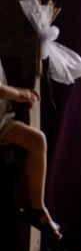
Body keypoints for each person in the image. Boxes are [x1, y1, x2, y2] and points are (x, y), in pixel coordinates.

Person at [0, 58, 62, 241]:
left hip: (2, 119)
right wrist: (22, 94)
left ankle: (36, 207)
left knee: (37, 141)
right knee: (37, 140)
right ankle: (35, 209)